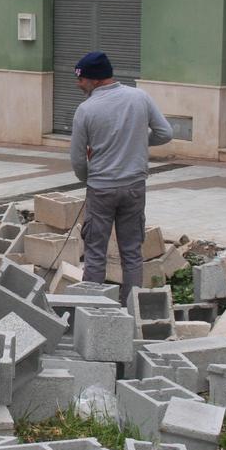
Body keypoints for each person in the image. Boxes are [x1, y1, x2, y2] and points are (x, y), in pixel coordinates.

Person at [70, 51, 173, 306]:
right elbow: (165, 133)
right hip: (135, 188)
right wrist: (136, 142)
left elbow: (77, 159)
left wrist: (88, 179)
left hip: (101, 191)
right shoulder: (140, 97)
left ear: (94, 79)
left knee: (95, 255)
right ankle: (131, 313)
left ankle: (92, 311)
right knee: (132, 253)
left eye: (81, 79)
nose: (78, 84)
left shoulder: (86, 110)